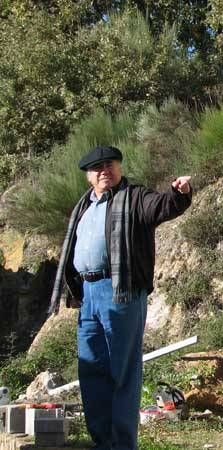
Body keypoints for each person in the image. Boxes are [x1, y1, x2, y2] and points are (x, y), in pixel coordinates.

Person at [49, 145, 192, 450]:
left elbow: (162, 206)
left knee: (123, 371)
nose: (105, 170)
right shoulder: (83, 207)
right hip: (88, 295)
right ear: (89, 176)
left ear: (119, 168)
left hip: (120, 291)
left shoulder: (135, 197)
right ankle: (104, 441)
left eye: (110, 164)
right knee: (91, 368)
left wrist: (178, 194)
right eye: (98, 167)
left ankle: (123, 444)